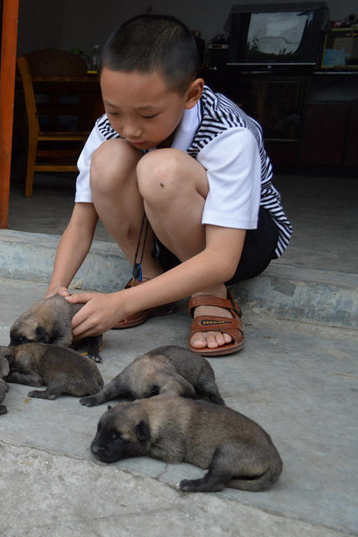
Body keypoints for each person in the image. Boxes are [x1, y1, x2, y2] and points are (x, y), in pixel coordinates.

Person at [47, 14, 291, 356]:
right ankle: (148, 276)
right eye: (114, 111)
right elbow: (80, 222)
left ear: (191, 94)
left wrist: (119, 302)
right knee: (109, 159)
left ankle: (212, 295)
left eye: (147, 116)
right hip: (166, 239)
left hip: (239, 244)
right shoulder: (108, 129)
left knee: (160, 169)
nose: (129, 129)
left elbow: (223, 258)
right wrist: (54, 293)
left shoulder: (229, 133)